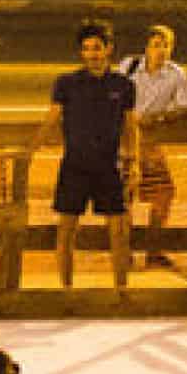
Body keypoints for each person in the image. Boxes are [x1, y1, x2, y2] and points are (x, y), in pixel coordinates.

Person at [34, 20, 139, 297]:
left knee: (118, 231)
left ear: (109, 50)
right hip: (75, 166)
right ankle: (65, 291)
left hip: (109, 167)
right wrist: (31, 148)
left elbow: (131, 125)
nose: (92, 53)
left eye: (97, 48)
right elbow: (52, 118)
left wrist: (135, 161)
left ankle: (121, 291)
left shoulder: (124, 85)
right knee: (67, 230)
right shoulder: (66, 83)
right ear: (81, 52)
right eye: (87, 48)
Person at [121, 24, 187, 267]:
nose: (161, 50)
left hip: (152, 144)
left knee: (163, 194)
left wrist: (161, 118)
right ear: (147, 48)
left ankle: (153, 249)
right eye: (156, 45)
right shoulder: (129, 67)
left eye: (166, 45)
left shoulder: (176, 74)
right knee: (124, 197)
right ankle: (123, 249)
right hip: (124, 142)